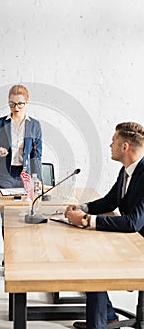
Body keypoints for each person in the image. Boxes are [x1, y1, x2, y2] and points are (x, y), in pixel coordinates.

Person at [65, 121, 144, 329]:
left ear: (124, 147)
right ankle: (106, 315)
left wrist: (86, 220)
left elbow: (133, 222)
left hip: (139, 244)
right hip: (132, 240)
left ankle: (98, 324)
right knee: (86, 253)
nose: (110, 145)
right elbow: (110, 201)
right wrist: (81, 207)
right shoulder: (127, 170)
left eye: (113, 141)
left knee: (92, 264)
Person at [0, 84, 42, 244]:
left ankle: (24, 252)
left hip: (24, 175)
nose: (16, 107)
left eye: (20, 103)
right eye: (12, 103)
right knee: (6, 216)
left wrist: (37, 180)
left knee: (27, 214)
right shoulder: (0, 123)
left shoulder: (34, 124)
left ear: (26, 103)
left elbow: (37, 155)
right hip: (5, 175)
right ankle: (9, 254)